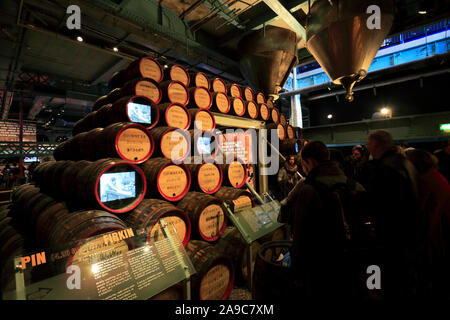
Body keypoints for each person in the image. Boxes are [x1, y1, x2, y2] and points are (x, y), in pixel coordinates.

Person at [287, 141, 365, 299]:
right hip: (356, 263)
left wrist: (297, 274)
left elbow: (300, 236)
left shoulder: (309, 190)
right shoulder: (355, 185)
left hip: (320, 269)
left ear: (309, 162)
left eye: (303, 163)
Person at [365, 129, 424, 299]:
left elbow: (381, 204)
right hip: (411, 231)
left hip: (394, 234)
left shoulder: (385, 167)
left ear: (375, 144)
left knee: (392, 279)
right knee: (405, 277)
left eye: (368, 144)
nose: (368, 148)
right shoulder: (405, 163)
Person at [407, 149, 450, 299]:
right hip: (441, 226)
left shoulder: (424, 180)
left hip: (433, 231)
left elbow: (418, 208)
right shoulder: (436, 176)